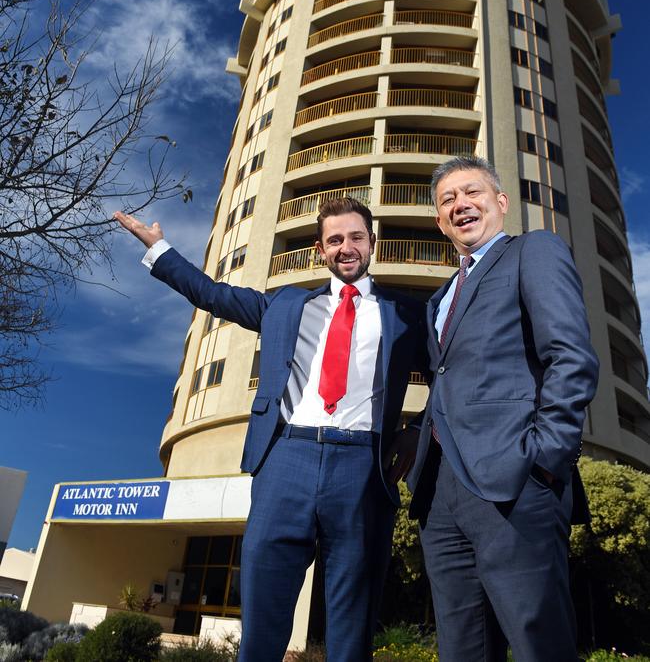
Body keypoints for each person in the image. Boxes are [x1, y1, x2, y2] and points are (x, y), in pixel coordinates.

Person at [115, 197, 426, 662]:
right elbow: (213, 294)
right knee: (263, 614)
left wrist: (417, 428)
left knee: (351, 624)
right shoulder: (285, 305)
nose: (346, 247)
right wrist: (161, 249)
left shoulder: (406, 313)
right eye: (335, 239)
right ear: (321, 249)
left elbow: (453, 369)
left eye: (356, 237)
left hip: (363, 466)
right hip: (286, 460)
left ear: (372, 243)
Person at [408, 156, 599, 662]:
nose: (460, 205)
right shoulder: (440, 299)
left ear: (500, 202)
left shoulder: (532, 251)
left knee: (541, 643)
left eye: (471, 192)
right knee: (462, 649)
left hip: (517, 481)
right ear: (439, 221)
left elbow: (571, 357)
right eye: (447, 200)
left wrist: (543, 459)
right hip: (440, 493)